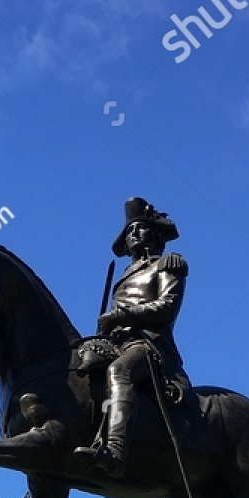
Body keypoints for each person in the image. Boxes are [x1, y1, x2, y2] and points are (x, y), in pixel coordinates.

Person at [72, 196, 190, 480]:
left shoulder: (168, 264)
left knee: (119, 371)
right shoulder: (125, 274)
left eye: (140, 227)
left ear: (156, 233)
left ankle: (115, 451)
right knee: (76, 380)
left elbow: (167, 308)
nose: (133, 233)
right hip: (118, 343)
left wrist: (121, 316)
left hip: (149, 345)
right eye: (130, 230)